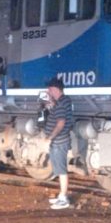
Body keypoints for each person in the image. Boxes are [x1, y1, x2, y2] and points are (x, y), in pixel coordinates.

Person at [44, 76, 73, 210]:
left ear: (55, 89)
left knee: (61, 170)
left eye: (50, 90)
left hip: (59, 141)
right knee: (60, 169)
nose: (48, 93)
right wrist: (52, 103)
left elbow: (60, 123)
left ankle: (63, 198)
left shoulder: (61, 104)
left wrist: (50, 137)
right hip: (60, 140)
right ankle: (61, 195)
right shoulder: (64, 101)